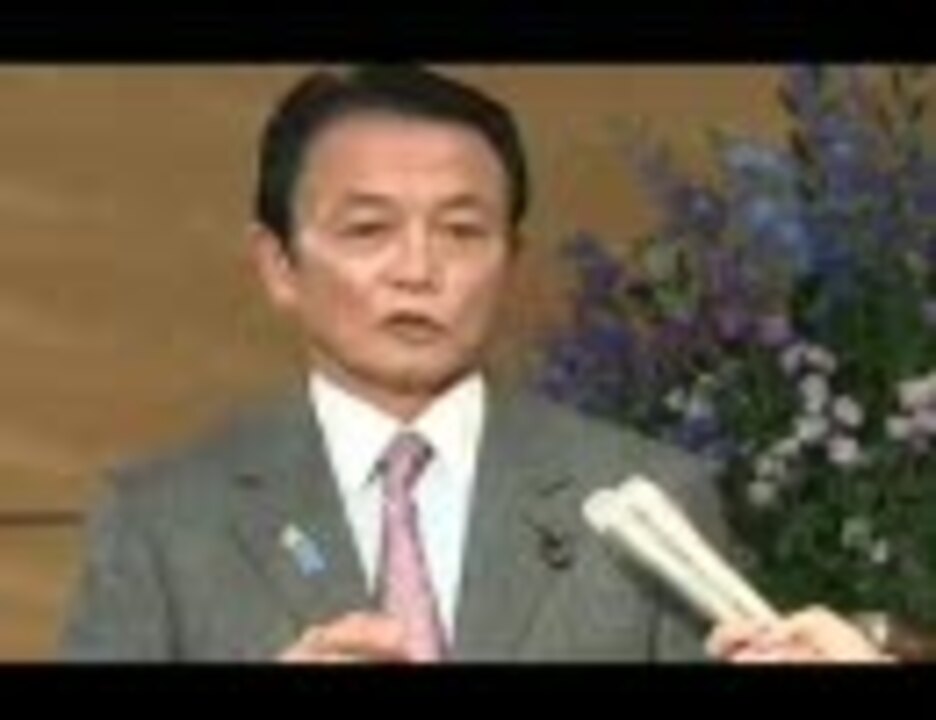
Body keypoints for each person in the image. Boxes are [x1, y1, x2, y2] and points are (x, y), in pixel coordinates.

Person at [60, 65, 889, 663]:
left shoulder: (642, 500)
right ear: (279, 265)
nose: (418, 269)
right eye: (368, 230)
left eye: (462, 231)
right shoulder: (164, 521)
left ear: (510, 260)